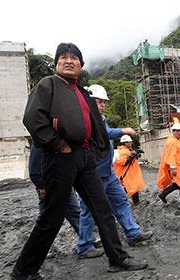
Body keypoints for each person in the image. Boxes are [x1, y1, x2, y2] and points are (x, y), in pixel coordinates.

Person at [13, 43, 147, 280]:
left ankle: (117, 258)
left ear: (81, 65)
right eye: (63, 57)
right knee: (52, 216)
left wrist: (93, 153)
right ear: (56, 63)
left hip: (84, 159)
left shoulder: (83, 94)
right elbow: (32, 119)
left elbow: (97, 128)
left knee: (103, 209)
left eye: (74, 58)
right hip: (59, 157)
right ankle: (24, 271)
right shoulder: (48, 85)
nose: (68, 61)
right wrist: (58, 144)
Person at [76, 84, 152, 258]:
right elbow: (104, 133)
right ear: (89, 101)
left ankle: (133, 233)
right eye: (99, 102)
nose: (102, 105)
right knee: (88, 210)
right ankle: (84, 246)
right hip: (93, 174)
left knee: (120, 201)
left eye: (104, 102)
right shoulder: (86, 118)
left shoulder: (100, 118)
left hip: (108, 172)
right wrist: (124, 130)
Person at [157, 122, 180, 204]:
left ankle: (163, 194)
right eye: (178, 131)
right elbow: (170, 155)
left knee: (179, 184)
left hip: (179, 166)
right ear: (173, 131)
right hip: (176, 166)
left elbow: (179, 151)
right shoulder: (172, 141)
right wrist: (173, 167)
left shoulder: (176, 140)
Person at [114, 135, 145, 205]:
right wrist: (131, 156)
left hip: (131, 173)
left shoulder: (128, 149)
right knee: (128, 188)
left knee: (133, 187)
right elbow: (123, 162)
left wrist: (137, 154)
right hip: (126, 173)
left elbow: (134, 158)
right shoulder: (122, 151)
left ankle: (136, 202)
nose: (131, 143)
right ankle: (118, 200)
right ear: (125, 143)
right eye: (129, 142)